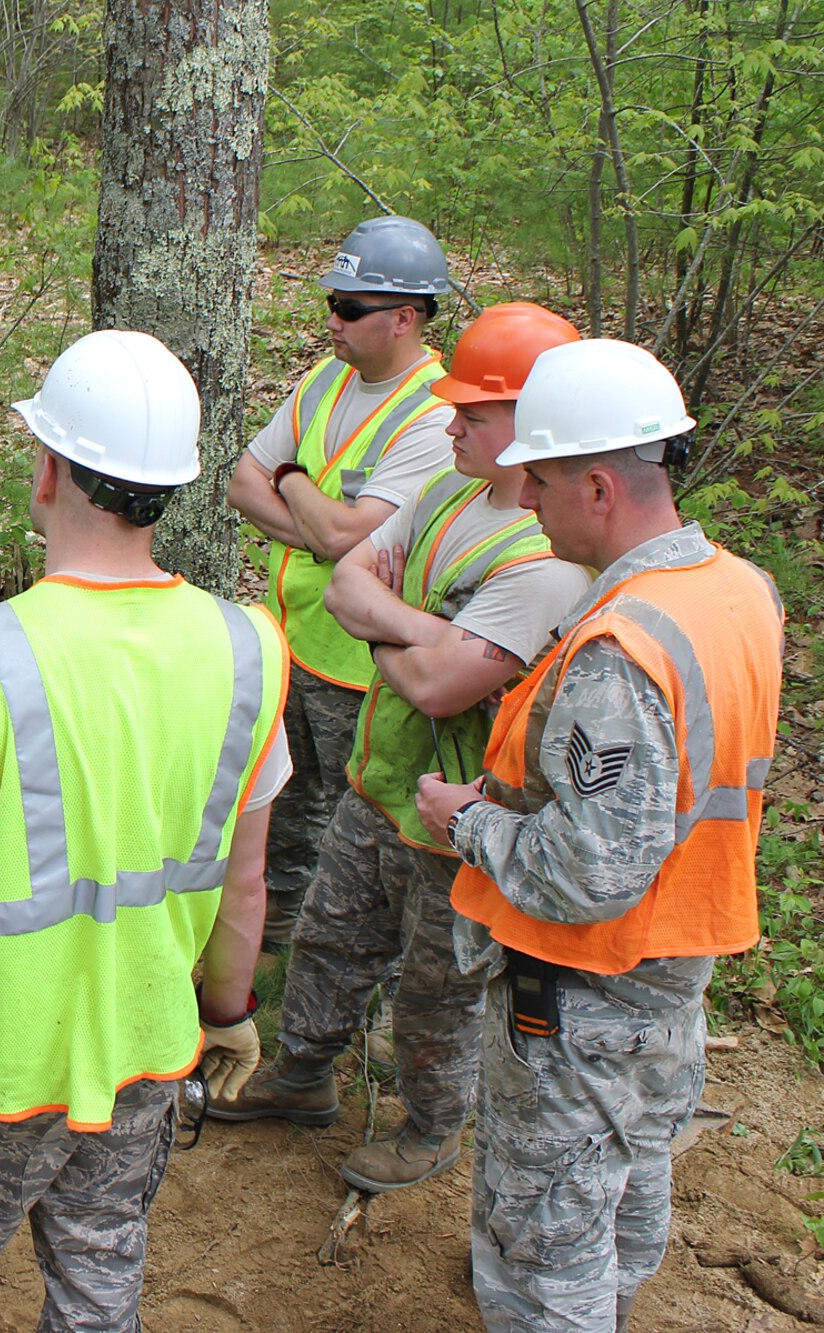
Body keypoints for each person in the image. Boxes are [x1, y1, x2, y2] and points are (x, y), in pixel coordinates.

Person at [0, 331, 289, 1331]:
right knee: (97, 1281)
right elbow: (243, 885)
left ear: (47, 467)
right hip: (146, 1050)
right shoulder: (248, 650)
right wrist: (229, 1005)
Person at [414, 340, 782, 1332]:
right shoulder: (737, 590)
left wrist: (470, 822)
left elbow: (591, 868)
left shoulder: (622, 647)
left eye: (536, 478)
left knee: (544, 1246)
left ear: (593, 485)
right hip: (674, 969)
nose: (522, 498)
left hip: (581, 988)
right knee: (624, 1180)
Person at [208, 304, 591, 1195]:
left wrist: (408, 639)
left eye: (474, 415)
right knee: (330, 940)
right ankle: (299, 1075)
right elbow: (344, 583)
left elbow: (437, 687)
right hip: (379, 782)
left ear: (536, 422)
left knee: (432, 992)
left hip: (462, 818)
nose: (449, 424)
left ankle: (430, 1128)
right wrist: (429, 632)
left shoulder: (547, 555)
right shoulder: (451, 488)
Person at [226, 216, 458, 945]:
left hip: (363, 665)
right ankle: (276, 946)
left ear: (404, 317)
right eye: (332, 301)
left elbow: (343, 534)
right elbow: (241, 482)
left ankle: (360, 980)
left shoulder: (434, 409)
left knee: (358, 825)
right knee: (283, 810)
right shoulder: (326, 378)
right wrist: (320, 518)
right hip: (288, 641)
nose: (331, 319)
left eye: (349, 308)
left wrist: (290, 478)